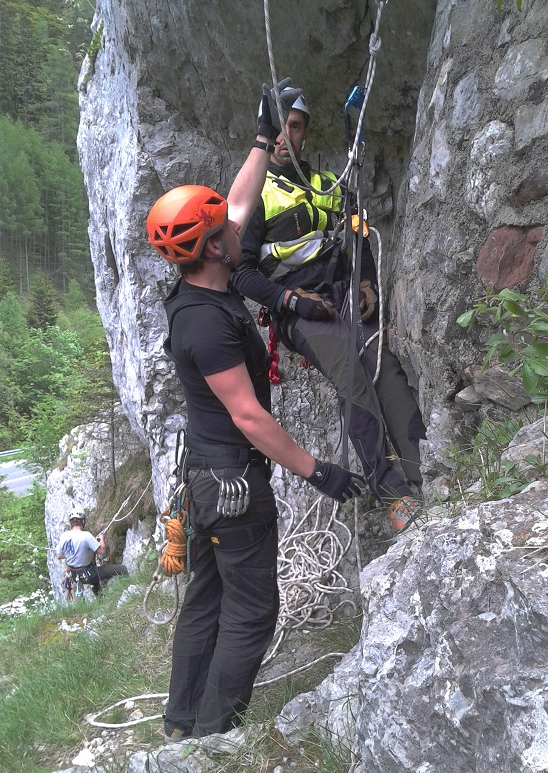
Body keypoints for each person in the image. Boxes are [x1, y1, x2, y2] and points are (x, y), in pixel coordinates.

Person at [145, 80, 364, 742]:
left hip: (208, 482)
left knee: (206, 602)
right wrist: (316, 470)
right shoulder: (208, 326)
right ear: (214, 249)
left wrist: (264, 139)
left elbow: (235, 202)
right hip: (234, 485)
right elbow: (249, 417)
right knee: (252, 610)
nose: (237, 227)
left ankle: (182, 724)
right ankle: (214, 737)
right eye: (224, 231)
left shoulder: (194, 289)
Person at [231, 85, 426, 531]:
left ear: (305, 134)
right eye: (278, 127)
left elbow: (358, 232)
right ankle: (393, 493)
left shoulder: (329, 185)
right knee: (350, 371)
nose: (285, 137)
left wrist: (366, 281)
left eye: (294, 127)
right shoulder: (256, 195)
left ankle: (421, 467)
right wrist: (289, 300)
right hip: (298, 308)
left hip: (340, 292)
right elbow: (240, 274)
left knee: (383, 362)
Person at [56, 506, 128, 596]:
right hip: (89, 574)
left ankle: (102, 602)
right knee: (122, 569)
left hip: (76, 576)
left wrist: (74, 553)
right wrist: (102, 539)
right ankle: (127, 592)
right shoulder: (86, 536)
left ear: (71, 522)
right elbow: (102, 551)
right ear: (83, 521)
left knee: (95, 582)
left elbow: (59, 555)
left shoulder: (64, 536)